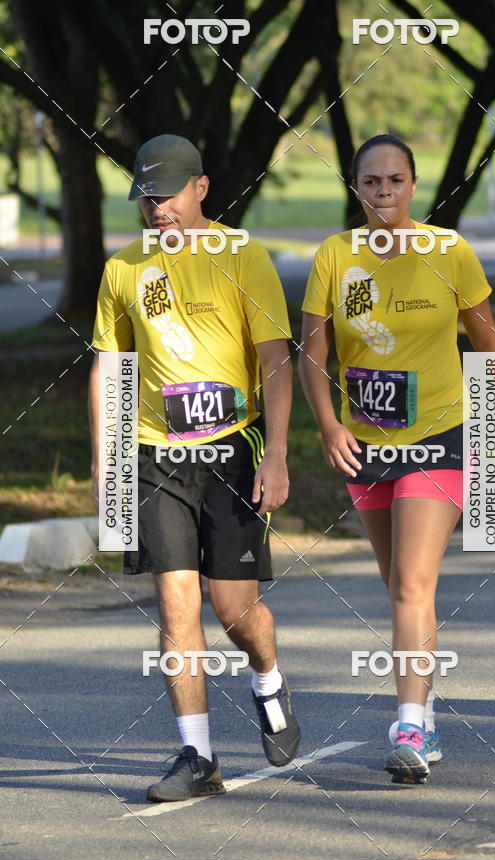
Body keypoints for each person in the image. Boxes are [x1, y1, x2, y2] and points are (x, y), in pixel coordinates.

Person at [299, 134, 495, 784]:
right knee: (399, 584)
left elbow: (488, 343)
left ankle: (407, 723)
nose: (383, 192)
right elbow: (313, 353)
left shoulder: (449, 251)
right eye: (371, 181)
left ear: (413, 184)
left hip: (442, 435)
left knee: (410, 582)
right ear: (355, 188)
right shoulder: (335, 256)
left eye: (395, 180)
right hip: (365, 442)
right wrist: (327, 426)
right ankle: (424, 705)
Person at [88, 134, 300, 802]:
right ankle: (198, 756)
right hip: (155, 454)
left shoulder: (244, 257)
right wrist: (106, 461)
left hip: (233, 450)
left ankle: (268, 680)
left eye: (169, 195)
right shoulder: (124, 269)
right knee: (176, 601)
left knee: (234, 609)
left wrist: (279, 454)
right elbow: (110, 368)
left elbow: (276, 360)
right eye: (147, 198)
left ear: (200, 188)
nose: (158, 210)